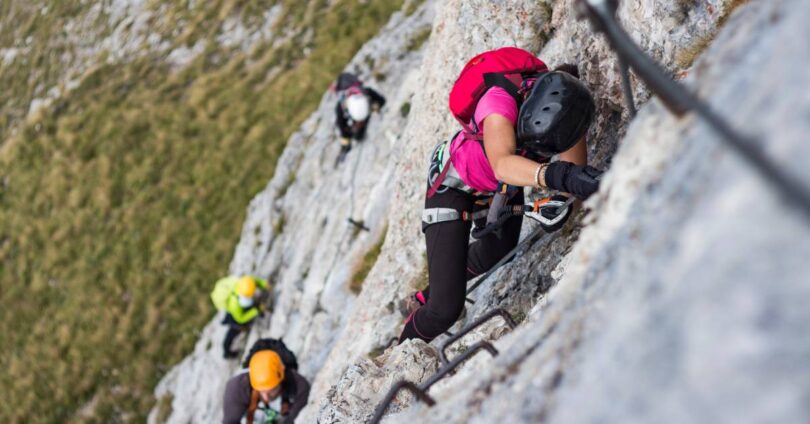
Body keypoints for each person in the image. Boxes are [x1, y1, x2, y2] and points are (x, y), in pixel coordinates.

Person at [398, 48, 603, 343]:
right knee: (444, 310)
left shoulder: (566, 108)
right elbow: (503, 164)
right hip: (454, 187)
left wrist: (569, 194)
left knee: (498, 252)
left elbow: (573, 175)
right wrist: (559, 176)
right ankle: (400, 355)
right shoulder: (497, 105)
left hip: (499, 184)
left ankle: (425, 293)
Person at [222, 341, 310, 424]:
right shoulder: (236, 389)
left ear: (281, 380)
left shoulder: (292, 379)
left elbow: (303, 390)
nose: (266, 397)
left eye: (272, 390)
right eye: (262, 391)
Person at [210, 275, 270, 358]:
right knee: (233, 330)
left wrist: (264, 284)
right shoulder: (236, 304)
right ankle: (226, 352)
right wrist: (256, 311)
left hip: (235, 309)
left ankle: (227, 320)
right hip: (236, 315)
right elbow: (241, 319)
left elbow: (255, 282)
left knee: (236, 315)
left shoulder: (246, 283)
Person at [332, 72, 386, 163]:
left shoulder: (366, 93)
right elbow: (342, 127)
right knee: (356, 135)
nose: (359, 124)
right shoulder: (341, 107)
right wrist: (346, 144)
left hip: (361, 110)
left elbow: (382, 101)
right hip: (356, 109)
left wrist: (374, 108)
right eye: (359, 123)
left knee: (358, 135)